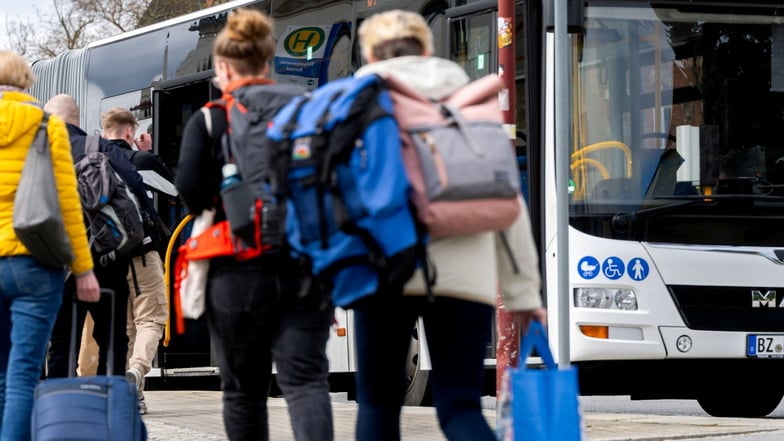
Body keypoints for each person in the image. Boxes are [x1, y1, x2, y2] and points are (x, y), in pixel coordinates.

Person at [350, 10, 547, 441]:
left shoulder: (355, 100)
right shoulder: (470, 101)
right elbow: (506, 200)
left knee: (378, 406)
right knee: (460, 407)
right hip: (465, 271)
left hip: (382, 268)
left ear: (369, 52)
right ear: (426, 50)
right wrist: (524, 294)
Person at [174, 8, 334, 441]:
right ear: (268, 62)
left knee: (243, 392)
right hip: (304, 265)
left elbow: (188, 189)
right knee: (306, 382)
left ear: (223, 67)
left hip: (236, 268)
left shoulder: (210, 118)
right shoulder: (308, 110)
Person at [0, 50, 100, 441]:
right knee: (24, 373)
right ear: (27, 80)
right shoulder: (47, 125)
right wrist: (84, 269)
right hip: (34, 264)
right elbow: (67, 203)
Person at [43, 94, 151, 381]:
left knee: (61, 342)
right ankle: (111, 406)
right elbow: (136, 188)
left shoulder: (39, 153)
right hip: (107, 261)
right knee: (113, 339)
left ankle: (61, 410)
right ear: (77, 120)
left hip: (59, 265)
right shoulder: (99, 147)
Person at [101, 106, 173, 415]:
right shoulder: (138, 159)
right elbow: (173, 190)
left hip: (109, 257)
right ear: (131, 132)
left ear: (105, 131)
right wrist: (148, 152)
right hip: (143, 254)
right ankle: (138, 371)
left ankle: (132, 397)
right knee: (152, 320)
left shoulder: (95, 159)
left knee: (126, 328)